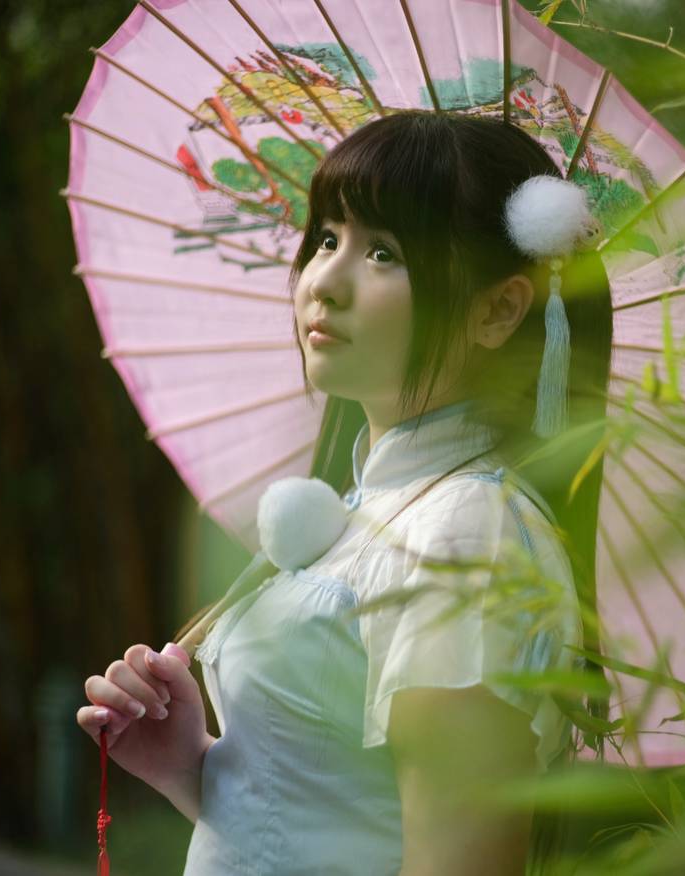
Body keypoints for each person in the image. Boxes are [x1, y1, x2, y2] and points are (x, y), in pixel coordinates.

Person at [75, 109, 613, 875]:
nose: (323, 281)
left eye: (384, 252)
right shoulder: (371, 509)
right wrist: (188, 765)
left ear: (497, 310)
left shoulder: (465, 537)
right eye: (328, 239)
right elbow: (327, 821)